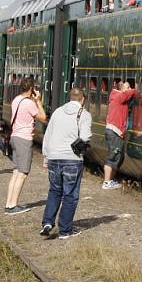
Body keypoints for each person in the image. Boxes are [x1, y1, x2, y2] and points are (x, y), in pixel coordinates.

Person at [39, 87, 92, 240]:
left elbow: (48, 135)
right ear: (83, 99)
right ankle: (65, 230)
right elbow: (85, 137)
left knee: (54, 191)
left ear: (70, 97)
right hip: (72, 159)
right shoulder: (84, 115)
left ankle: (47, 222)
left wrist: (46, 157)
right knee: (70, 195)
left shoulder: (57, 112)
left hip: (54, 157)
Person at [5, 77, 47, 215]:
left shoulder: (16, 99)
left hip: (15, 137)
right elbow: (43, 117)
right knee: (22, 173)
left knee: (16, 171)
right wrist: (38, 101)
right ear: (31, 89)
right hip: (24, 139)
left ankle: (9, 204)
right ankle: (13, 206)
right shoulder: (29, 103)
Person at [102, 79, 136, 189]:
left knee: (117, 156)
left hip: (114, 131)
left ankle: (110, 180)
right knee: (112, 156)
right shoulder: (119, 97)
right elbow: (129, 93)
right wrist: (134, 90)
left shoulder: (116, 96)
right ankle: (106, 182)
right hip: (114, 131)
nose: (129, 90)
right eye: (127, 87)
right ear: (122, 89)